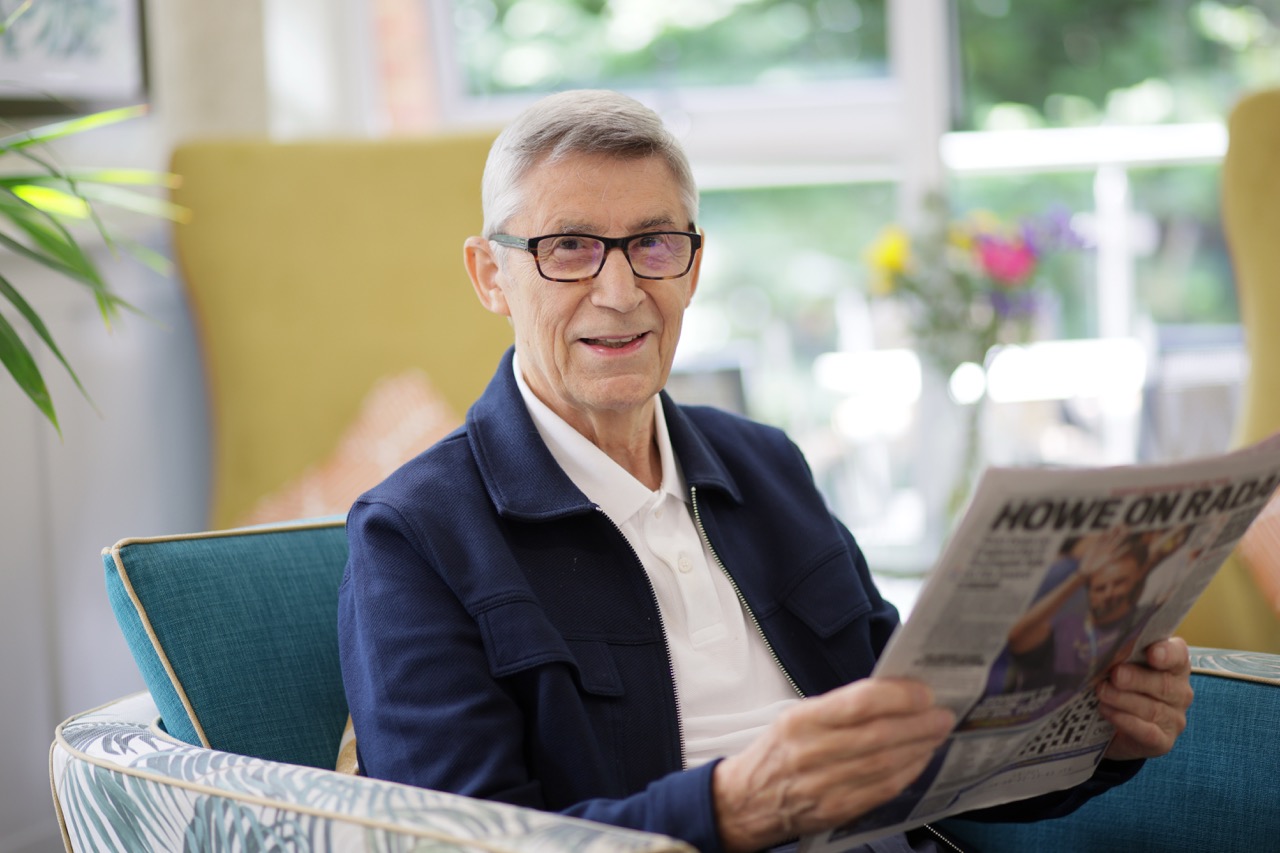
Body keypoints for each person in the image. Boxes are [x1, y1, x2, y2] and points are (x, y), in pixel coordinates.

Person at [338, 89, 1194, 853]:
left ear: (695, 264)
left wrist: (1097, 735)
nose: (620, 290)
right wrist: (734, 807)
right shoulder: (414, 534)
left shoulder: (766, 463)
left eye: (654, 244)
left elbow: (927, 744)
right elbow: (459, 840)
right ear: (491, 274)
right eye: (567, 248)